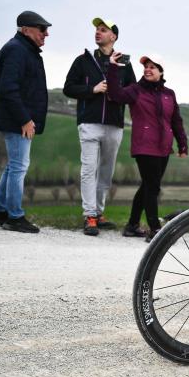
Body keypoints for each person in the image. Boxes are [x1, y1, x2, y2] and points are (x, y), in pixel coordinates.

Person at [63, 17, 136, 236]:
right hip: (89, 123)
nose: (98, 33)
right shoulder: (83, 60)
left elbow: (133, 92)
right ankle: (89, 216)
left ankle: (99, 212)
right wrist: (92, 89)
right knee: (88, 170)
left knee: (106, 172)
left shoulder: (125, 62)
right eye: (96, 29)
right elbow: (68, 88)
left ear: (113, 36)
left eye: (103, 30)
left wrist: (118, 95)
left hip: (114, 125)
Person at [107, 53, 188, 242]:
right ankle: (155, 229)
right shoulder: (136, 90)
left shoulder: (169, 94)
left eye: (153, 67)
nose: (148, 69)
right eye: (146, 66)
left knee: (147, 187)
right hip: (145, 146)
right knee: (152, 187)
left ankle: (132, 225)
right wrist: (113, 68)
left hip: (164, 147)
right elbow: (115, 94)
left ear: (161, 71)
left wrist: (182, 143)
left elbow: (176, 121)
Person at [0, 11, 52, 233]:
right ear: (25, 29)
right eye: (42, 29)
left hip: (16, 118)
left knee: (14, 165)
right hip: (16, 120)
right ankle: (14, 216)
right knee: (19, 167)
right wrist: (24, 119)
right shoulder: (16, 50)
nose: (46, 34)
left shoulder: (23, 49)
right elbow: (8, 89)